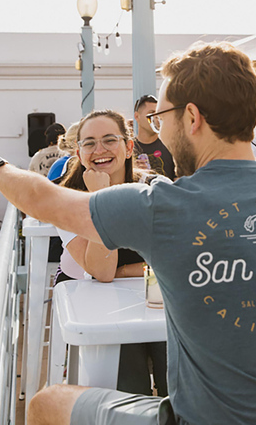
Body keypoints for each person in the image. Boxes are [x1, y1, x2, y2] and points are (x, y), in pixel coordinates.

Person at [0, 42, 256, 425]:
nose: (160, 129)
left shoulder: (165, 206)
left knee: (47, 403)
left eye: (161, 117)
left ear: (191, 118)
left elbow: (43, 200)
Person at [52, 109, 167, 397]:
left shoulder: (152, 190)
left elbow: (171, 259)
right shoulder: (67, 201)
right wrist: (101, 201)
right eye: (89, 143)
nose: (99, 150)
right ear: (78, 153)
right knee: (125, 372)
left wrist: (125, 271)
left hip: (150, 296)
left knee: (175, 358)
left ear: (129, 147)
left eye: (109, 140)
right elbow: (103, 274)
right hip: (94, 304)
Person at [133, 94, 176, 179]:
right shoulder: (128, 148)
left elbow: (179, 182)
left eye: (158, 114)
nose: (156, 118)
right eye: (151, 114)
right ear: (137, 116)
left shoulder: (170, 146)